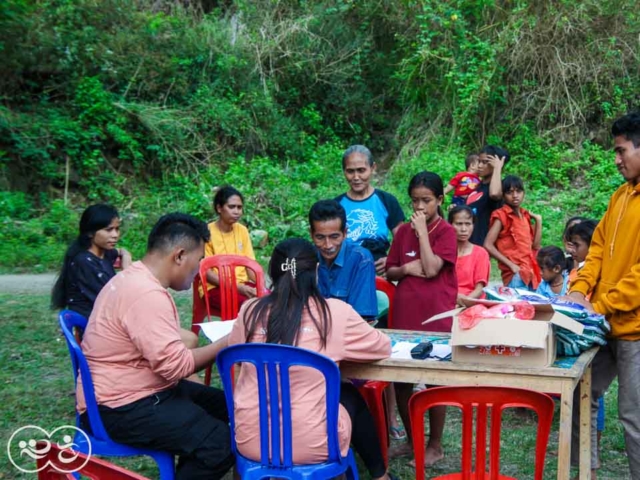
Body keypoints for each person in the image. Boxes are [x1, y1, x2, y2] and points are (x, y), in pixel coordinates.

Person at [77, 213, 234, 480]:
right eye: (198, 263)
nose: (198, 272)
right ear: (179, 255)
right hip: (118, 406)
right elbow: (176, 367)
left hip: (136, 388)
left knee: (230, 406)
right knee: (221, 444)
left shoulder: (134, 278)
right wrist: (229, 342)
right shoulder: (146, 294)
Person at [228, 238, 398, 480]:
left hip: (251, 440)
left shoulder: (250, 310)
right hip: (313, 444)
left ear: (271, 274)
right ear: (316, 272)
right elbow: (382, 347)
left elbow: (235, 351)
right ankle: (381, 476)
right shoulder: (334, 313)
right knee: (348, 394)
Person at [565, 112, 640, 480]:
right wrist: (579, 290)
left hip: (634, 330)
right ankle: (586, 472)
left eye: (621, 150)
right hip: (603, 323)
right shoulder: (620, 197)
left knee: (634, 415)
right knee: (582, 392)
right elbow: (595, 252)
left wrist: (599, 304)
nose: (616, 159)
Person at [386, 171, 458, 467]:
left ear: (440, 200)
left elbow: (430, 269)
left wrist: (423, 238)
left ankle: (436, 443)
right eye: (415, 200)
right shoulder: (402, 231)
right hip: (405, 313)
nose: (419, 207)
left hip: (436, 316)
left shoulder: (446, 232)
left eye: (426, 201)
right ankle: (413, 439)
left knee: (434, 381)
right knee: (402, 381)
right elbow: (390, 271)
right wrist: (405, 269)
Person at [51, 204, 132, 319]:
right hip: (93, 325)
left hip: (106, 318)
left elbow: (119, 251)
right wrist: (126, 269)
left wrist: (125, 254)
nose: (115, 235)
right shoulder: (84, 262)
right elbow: (119, 299)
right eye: (108, 230)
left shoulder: (104, 252)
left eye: (117, 229)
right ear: (90, 232)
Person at [335, 145, 405, 275]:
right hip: (344, 271)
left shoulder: (386, 201)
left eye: (361, 170)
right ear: (344, 171)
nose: (356, 177)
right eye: (350, 171)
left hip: (378, 271)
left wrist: (391, 260)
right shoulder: (336, 205)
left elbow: (403, 240)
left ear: (373, 168)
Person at [309, 199, 377, 322]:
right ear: (311, 234)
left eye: (334, 237)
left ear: (345, 232)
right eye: (320, 237)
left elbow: (361, 319)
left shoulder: (361, 259)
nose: (328, 245)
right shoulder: (305, 258)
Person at [203, 186, 257, 310]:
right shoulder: (206, 232)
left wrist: (260, 286)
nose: (237, 211)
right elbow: (206, 272)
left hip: (242, 285)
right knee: (250, 307)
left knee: (272, 301)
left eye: (239, 207)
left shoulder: (242, 230)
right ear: (219, 208)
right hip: (215, 288)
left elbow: (250, 264)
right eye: (232, 207)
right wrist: (238, 288)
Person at [484, 175, 542, 290]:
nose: (515, 196)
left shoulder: (525, 215)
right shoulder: (501, 215)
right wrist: (511, 265)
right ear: (503, 196)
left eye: (518, 191)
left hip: (530, 272)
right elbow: (488, 244)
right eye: (510, 192)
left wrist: (539, 221)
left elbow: (535, 246)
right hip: (514, 275)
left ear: (523, 193)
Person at [467, 145, 509, 246]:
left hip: (480, 243)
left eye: (485, 162)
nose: (480, 166)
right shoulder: (479, 186)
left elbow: (495, 194)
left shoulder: (499, 188)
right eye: (479, 161)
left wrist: (497, 168)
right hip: (468, 241)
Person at [448, 205, 491, 302]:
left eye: (468, 224)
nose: (463, 229)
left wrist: (463, 302)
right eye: (459, 224)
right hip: (446, 301)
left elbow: (479, 289)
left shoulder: (480, 253)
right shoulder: (444, 252)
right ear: (450, 225)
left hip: (471, 303)